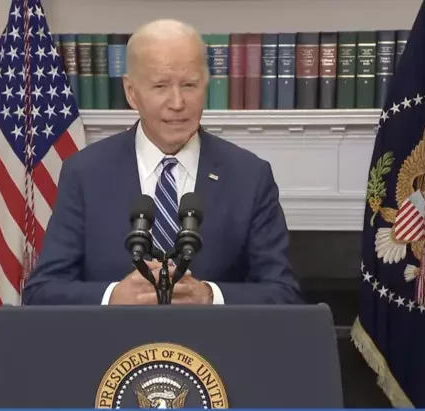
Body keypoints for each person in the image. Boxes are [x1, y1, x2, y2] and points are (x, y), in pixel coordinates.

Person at [21, 19, 303, 305]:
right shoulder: (85, 173)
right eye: (160, 86)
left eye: (190, 85)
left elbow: (284, 293)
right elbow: (42, 291)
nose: (177, 103)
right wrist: (112, 297)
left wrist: (210, 297)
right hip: (114, 335)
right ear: (131, 93)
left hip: (214, 335)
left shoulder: (249, 176)